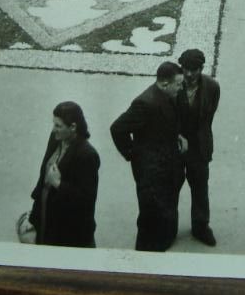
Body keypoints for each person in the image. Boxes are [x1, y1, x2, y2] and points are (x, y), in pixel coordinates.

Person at [110, 62, 187, 252]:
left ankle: (166, 237)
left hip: (169, 165)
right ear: (164, 84)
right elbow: (118, 128)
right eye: (178, 84)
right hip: (152, 172)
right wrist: (133, 154)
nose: (181, 87)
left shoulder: (169, 95)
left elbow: (166, 122)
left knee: (168, 205)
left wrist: (176, 135)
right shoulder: (145, 103)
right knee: (151, 213)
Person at [28, 102, 100, 247]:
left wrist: (59, 184)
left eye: (58, 126)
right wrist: (32, 220)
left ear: (73, 127)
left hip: (69, 232)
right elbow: (42, 180)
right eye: (54, 124)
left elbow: (86, 201)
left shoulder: (88, 155)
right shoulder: (55, 139)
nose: (54, 129)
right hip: (46, 221)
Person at [176, 48, 220, 246]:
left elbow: (208, 117)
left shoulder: (212, 87)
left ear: (202, 68)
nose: (189, 74)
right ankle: (168, 226)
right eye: (186, 69)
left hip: (199, 146)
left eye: (194, 70)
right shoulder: (174, 83)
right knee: (170, 186)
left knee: (200, 187)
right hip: (175, 145)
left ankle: (201, 226)